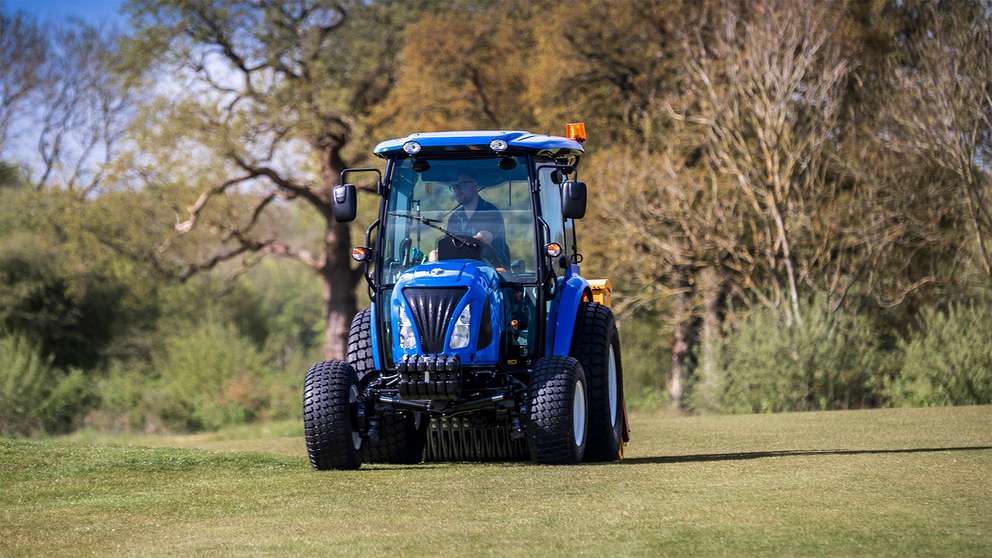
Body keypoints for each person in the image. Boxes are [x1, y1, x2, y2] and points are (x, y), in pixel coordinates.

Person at [445, 175, 511, 266]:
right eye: (454, 186)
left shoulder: (490, 212)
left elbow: (484, 238)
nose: (457, 189)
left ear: (475, 185)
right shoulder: (454, 217)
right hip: (462, 267)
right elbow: (447, 245)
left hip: (493, 268)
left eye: (462, 184)